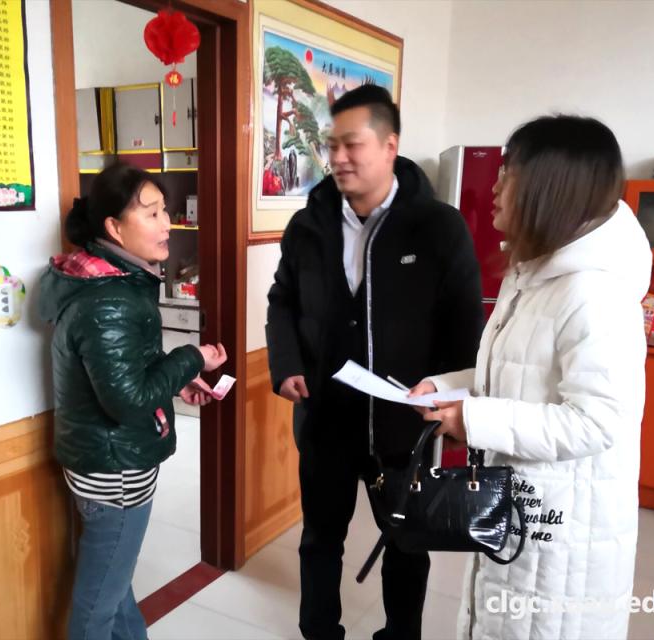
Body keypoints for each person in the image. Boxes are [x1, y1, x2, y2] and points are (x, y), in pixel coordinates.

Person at [411, 115, 651, 639]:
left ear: (551, 187)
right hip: (524, 506)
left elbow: (596, 422)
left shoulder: (594, 293)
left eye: (509, 173)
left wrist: (473, 419)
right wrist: (448, 387)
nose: (495, 188)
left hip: (563, 536)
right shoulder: (534, 276)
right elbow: (519, 371)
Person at [266, 84, 484, 640]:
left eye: (353, 144)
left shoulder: (438, 228)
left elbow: (464, 328)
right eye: (331, 145)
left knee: (408, 543)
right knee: (320, 540)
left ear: (390, 146)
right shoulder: (308, 226)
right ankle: (319, 631)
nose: (338, 157)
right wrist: (286, 363)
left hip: (405, 426)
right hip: (325, 420)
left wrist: (452, 403)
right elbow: (282, 300)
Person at [38, 162, 227, 640]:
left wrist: (176, 382)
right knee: (97, 610)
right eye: (151, 213)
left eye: (165, 211)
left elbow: (125, 370)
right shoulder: (111, 299)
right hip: (116, 471)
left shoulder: (107, 280)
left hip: (100, 460)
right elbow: (127, 401)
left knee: (114, 586)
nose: (167, 224)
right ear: (114, 228)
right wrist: (192, 357)